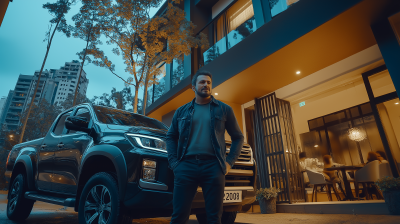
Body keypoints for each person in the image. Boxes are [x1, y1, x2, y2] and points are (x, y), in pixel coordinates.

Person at [166, 70, 244, 224]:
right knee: (179, 216)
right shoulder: (181, 111)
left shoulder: (224, 109)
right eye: (202, 82)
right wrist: (175, 163)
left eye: (208, 82)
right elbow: (170, 136)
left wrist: (229, 163)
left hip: (213, 166)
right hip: (185, 166)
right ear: (193, 87)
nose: (206, 85)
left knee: (214, 217)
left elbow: (238, 137)